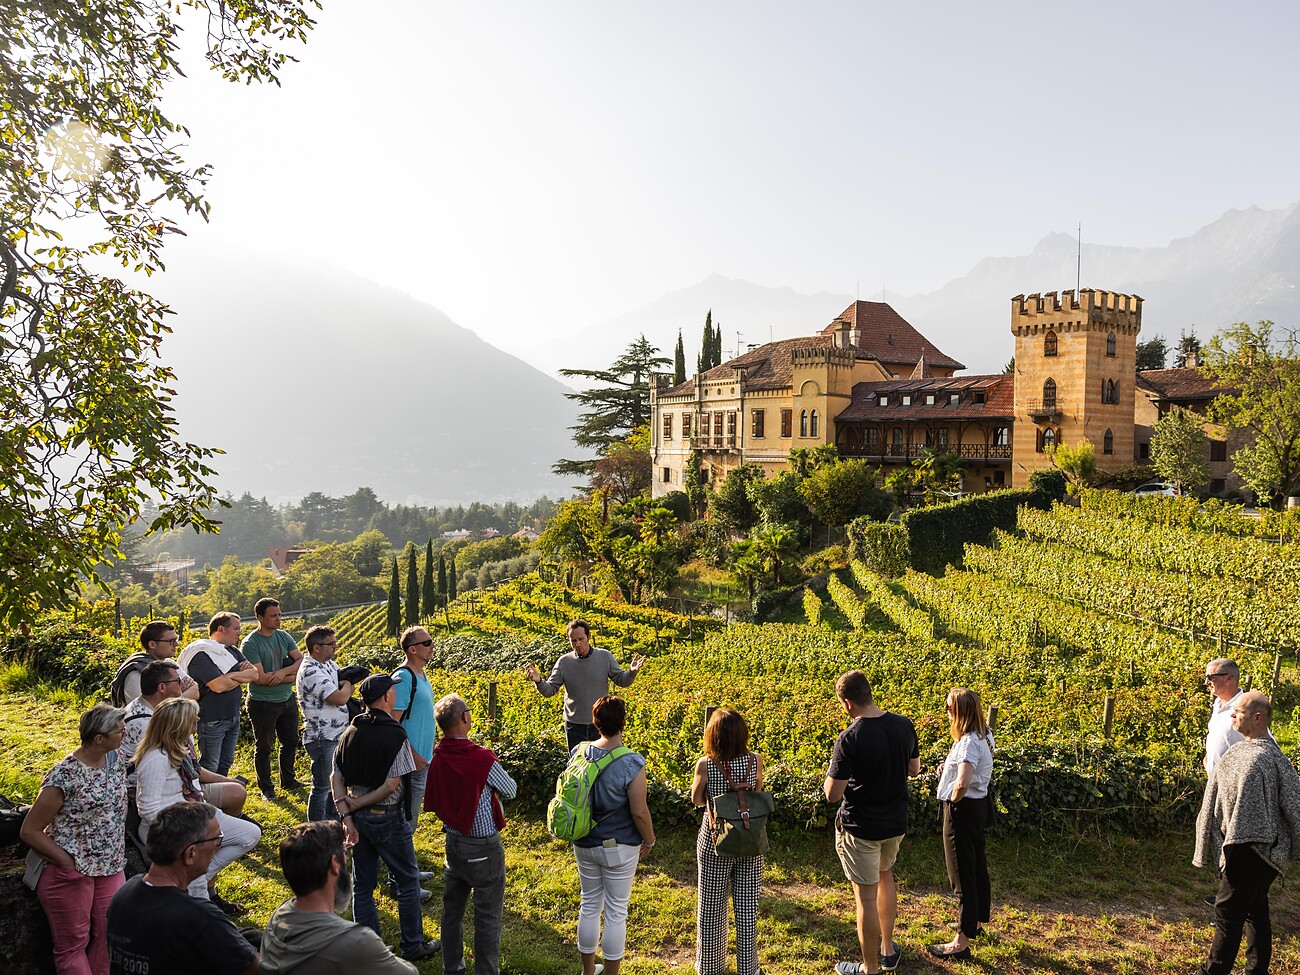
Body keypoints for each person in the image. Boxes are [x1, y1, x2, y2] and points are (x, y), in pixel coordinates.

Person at [331, 675, 439, 963]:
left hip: (358, 820)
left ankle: (370, 949)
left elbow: (335, 777)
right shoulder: (395, 734)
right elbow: (392, 786)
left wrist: (348, 815)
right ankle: (412, 945)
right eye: (392, 689)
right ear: (386, 697)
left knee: (362, 884)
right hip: (386, 816)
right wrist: (358, 804)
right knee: (407, 881)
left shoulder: (350, 731)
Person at [1194, 691, 1300, 975]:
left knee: (1227, 912)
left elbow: (1295, 805)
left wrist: (1292, 849)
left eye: (1239, 711)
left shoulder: (1272, 759)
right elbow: (1214, 794)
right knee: (1255, 910)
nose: (1233, 714)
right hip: (1236, 844)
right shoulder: (1238, 752)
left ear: (1257, 717)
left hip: (1255, 849)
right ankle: (1256, 970)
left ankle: (1213, 971)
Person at [824, 670, 920, 975]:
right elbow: (914, 769)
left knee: (865, 898)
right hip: (895, 823)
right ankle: (887, 949)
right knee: (885, 877)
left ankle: (869, 968)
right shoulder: (903, 724)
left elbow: (832, 794)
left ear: (848, 703)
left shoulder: (849, 738)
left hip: (861, 828)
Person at [20, 704, 128, 975]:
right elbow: (30, 830)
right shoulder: (64, 775)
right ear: (99, 738)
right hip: (70, 873)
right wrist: (67, 862)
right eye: (119, 730)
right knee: (72, 945)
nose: (125, 733)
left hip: (111, 865)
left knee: (111, 933)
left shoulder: (116, 758)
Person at [133, 697, 261, 914]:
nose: (199, 719)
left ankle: (196, 876)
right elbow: (147, 809)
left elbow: (196, 776)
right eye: (194, 717)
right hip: (168, 829)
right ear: (179, 724)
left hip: (194, 814)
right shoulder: (156, 758)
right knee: (197, 888)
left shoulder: (182, 746)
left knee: (250, 834)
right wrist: (182, 833)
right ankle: (198, 901)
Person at [106, 802, 259, 975]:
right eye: (218, 840)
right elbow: (256, 969)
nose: (218, 846)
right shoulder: (199, 917)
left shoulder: (123, 894)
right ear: (190, 854)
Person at [426, 693, 516, 975]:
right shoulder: (480, 759)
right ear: (465, 718)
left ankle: (452, 967)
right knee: (487, 915)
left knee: (452, 910)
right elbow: (511, 789)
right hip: (483, 847)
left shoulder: (438, 756)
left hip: (453, 842)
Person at [260, 820, 418, 974]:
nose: (347, 859)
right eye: (344, 852)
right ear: (334, 865)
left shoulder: (277, 918)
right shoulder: (357, 941)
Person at [569, 695, 655, 975]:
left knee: (589, 903)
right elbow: (639, 812)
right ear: (623, 722)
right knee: (616, 911)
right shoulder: (632, 762)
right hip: (619, 846)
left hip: (583, 841)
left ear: (595, 722)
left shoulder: (579, 752)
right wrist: (650, 840)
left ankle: (588, 970)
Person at [122, 661, 250, 819]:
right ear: (162, 687)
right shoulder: (147, 723)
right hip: (166, 792)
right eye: (177, 680)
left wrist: (225, 780)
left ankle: (225, 822)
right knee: (237, 801)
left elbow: (190, 765)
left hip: (180, 781)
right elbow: (181, 768)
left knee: (236, 791)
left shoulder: (154, 711)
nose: (183, 683)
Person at [691, 708, 764, 975]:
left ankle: (710, 967)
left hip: (715, 840)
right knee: (746, 909)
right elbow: (756, 793)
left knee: (711, 907)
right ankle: (749, 969)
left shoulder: (706, 764)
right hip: (749, 838)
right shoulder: (755, 760)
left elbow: (697, 799)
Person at [928, 687, 995, 962]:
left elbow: (964, 781)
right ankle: (974, 921)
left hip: (963, 810)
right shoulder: (984, 734)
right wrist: (948, 770)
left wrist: (953, 800)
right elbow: (972, 771)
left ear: (960, 711)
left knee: (961, 874)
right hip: (979, 806)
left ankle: (961, 942)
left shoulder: (968, 742)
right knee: (976, 866)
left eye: (949, 707)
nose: (946, 711)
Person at [523, 620, 648, 750]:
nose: (577, 644)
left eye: (581, 639)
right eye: (573, 641)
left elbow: (621, 680)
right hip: (574, 726)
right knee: (577, 761)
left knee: (601, 760)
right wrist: (538, 681)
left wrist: (631, 672)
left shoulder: (604, 656)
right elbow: (550, 690)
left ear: (588, 637)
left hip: (600, 724)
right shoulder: (564, 662)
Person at [241, 597, 305, 800]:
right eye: (273, 615)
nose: (278, 618)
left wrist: (281, 673)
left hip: (287, 698)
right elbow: (260, 679)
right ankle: (266, 789)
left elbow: (301, 661)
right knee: (264, 747)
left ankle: (288, 780)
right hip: (263, 702)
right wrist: (291, 676)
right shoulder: (250, 643)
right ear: (260, 618)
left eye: (279, 614)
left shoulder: (284, 636)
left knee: (291, 741)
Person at [180, 612, 258, 776]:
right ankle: (207, 793)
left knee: (226, 762)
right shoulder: (201, 654)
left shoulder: (232, 651)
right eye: (236, 629)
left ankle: (224, 791)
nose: (239, 633)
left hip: (233, 715)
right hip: (212, 719)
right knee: (210, 764)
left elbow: (254, 674)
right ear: (221, 629)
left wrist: (230, 676)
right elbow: (219, 686)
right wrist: (238, 676)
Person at [296, 625, 353, 822]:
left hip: (336, 734)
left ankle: (332, 824)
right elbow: (339, 697)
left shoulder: (328, 665)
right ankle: (316, 829)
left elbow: (343, 691)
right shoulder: (310, 670)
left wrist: (345, 688)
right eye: (331, 644)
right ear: (316, 647)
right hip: (322, 737)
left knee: (334, 785)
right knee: (322, 787)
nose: (335, 647)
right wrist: (348, 686)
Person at [116, 620, 198, 704]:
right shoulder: (136, 675)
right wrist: (180, 695)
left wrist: (173, 698)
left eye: (176, 639)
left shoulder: (169, 664)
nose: (176, 644)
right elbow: (153, 707)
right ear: (152, 644)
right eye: (171, 641)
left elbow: (195, 691)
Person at [1204, 658, 1245, 776]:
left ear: (1228, 678)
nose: (1206, 682)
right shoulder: (1217, 704)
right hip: (1215, 782)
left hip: (1234, 782)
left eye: (1211, 677)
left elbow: (1266, 745)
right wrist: (1208, 761)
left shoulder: (1245, 708)